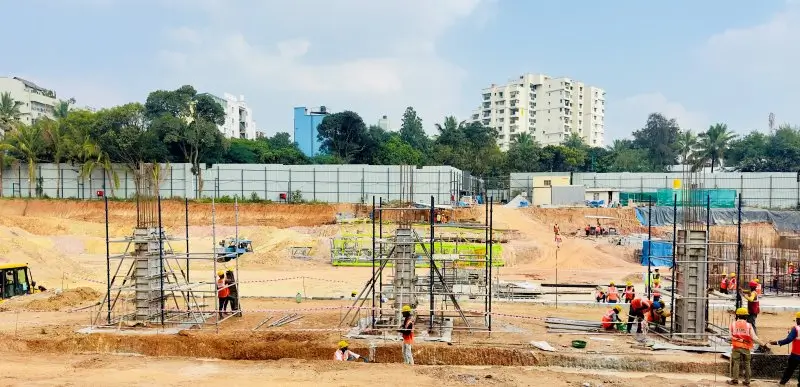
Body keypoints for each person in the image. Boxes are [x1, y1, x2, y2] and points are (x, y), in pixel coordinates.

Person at [729, 307, 767, 386]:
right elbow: (754, 338)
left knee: (736, 363)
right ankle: (747, 381)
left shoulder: (733, 324)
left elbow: (730, 336)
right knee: (747, 364)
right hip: (746, 347)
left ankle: (735, 380)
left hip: (736, 347)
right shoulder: (748, 325)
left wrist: (736, 340)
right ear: (745, 316)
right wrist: (763, 344)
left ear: (738, 315)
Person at [770, 311, 800, 386]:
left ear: (798, 320)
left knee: (790, 369)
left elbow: (788, 340)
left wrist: (777, 342)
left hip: (795, 354)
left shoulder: (796, 329)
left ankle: (782, 382)